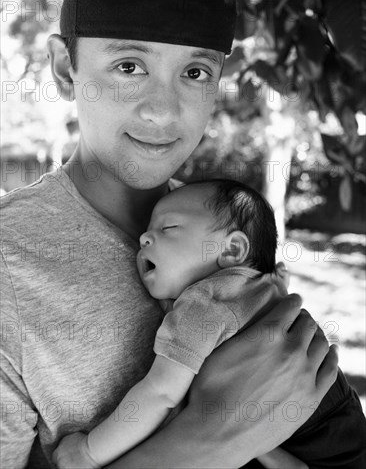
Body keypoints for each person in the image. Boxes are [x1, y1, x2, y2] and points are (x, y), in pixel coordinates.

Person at [0, 0, 342, 468]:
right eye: (129, 67)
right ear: (66, 68)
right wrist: (203, 445)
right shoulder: (9, 264)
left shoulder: (223, 233)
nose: (163, 110)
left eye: (195, 71)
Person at [52, 179, 366, 469]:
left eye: (169, 227)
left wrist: (88, 453)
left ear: (231, 249)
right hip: (334, 414)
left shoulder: (204, 302)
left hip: (312, 426)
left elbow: (161, 394)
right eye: (148, 231)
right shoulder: (256, 287)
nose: (145, 237)